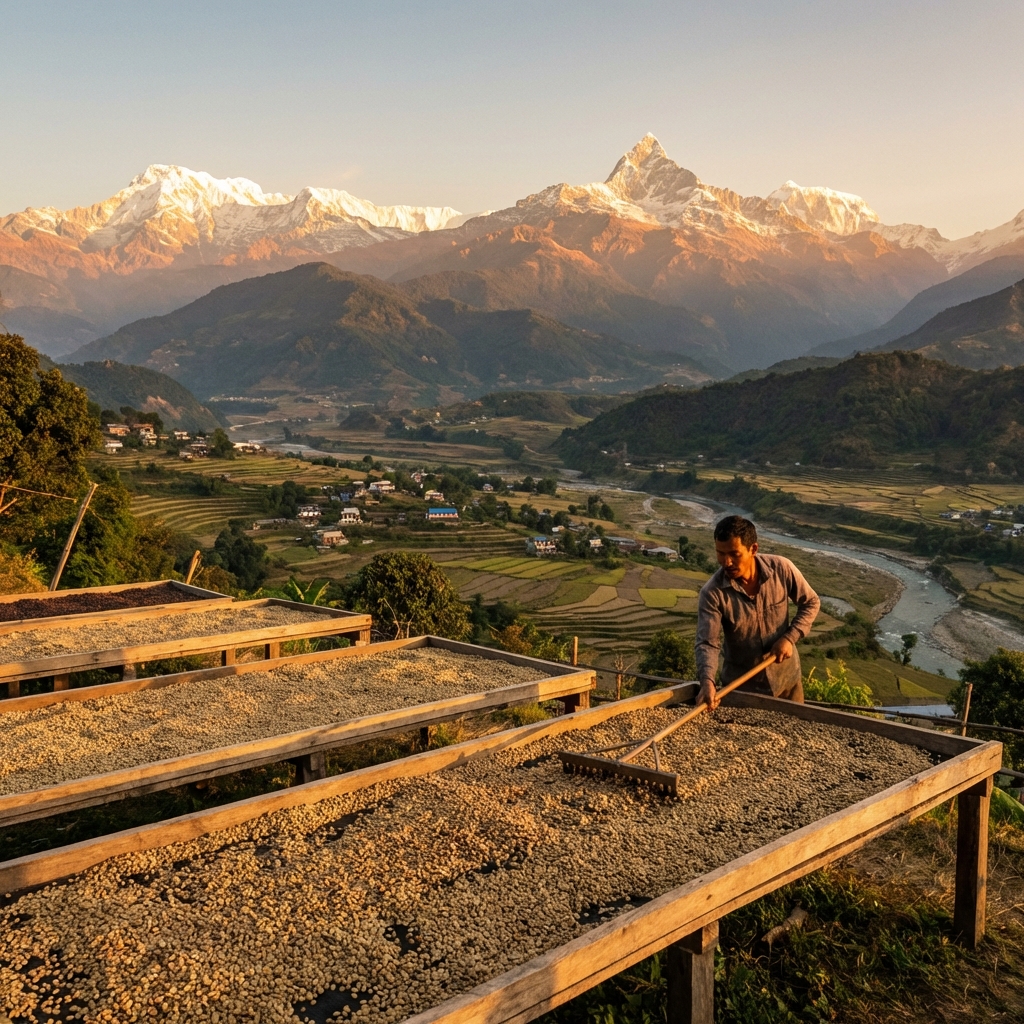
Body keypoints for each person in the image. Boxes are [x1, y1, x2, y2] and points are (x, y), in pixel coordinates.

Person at [696, 515, 820, 708]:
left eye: (734, 554)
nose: (726, 562)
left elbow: (811, 602)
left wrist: (790, 638)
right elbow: (707, 642)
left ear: (753, 549)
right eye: (720, 553)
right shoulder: (712, 593)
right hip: (742, 690)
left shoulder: (781, 569)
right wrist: (707, 681)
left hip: (787, 683)